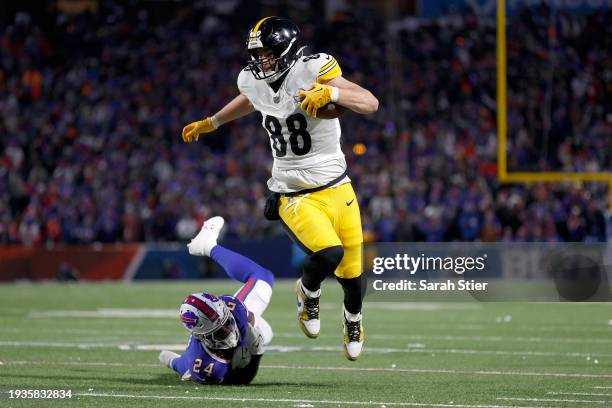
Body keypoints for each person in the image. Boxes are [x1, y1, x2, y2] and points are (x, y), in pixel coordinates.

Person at [181, 16, 378, 360]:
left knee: (353, 274)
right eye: (256, 54)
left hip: (337, 185)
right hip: (293, 191)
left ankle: (353, 319)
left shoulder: (315, 68)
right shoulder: (251, 80)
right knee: (329, 254)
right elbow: (250, 99)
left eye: (267, 53)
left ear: (287, 49)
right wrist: (213, 122)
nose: (260, 61)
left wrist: (331, 91)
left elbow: (370, 103)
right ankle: (308, 291)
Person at [159, 216, 274, 384]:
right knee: (182, 365)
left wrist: (250, 342)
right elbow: (240, 380)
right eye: (221, 332)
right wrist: (256, 356)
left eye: (227, 323)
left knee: (263, 281)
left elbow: (244, 322)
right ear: (204, 336)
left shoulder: (232, 309)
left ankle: (208, 246)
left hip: (226, 327)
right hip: (196, 363)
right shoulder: (202, 364)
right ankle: (173, 362)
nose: (229, 332)